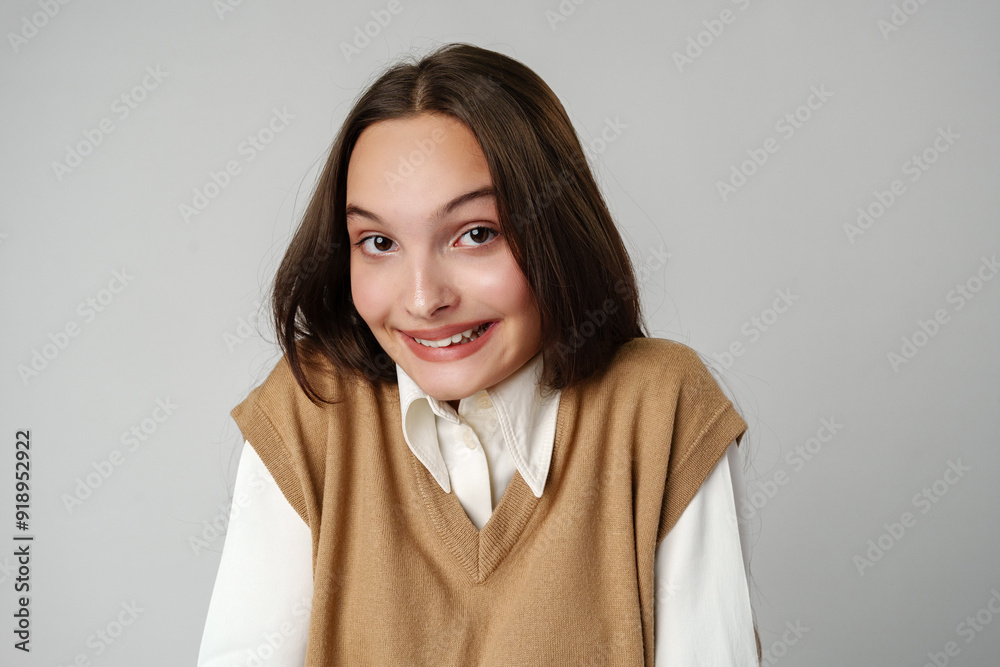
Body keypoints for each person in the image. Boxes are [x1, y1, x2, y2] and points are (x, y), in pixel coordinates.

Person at [197, 42, 761, 666]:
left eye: (476, 234)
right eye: (378, 242)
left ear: (555, 232)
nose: (423, 299)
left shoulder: (661, 409)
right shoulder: (312, 408)